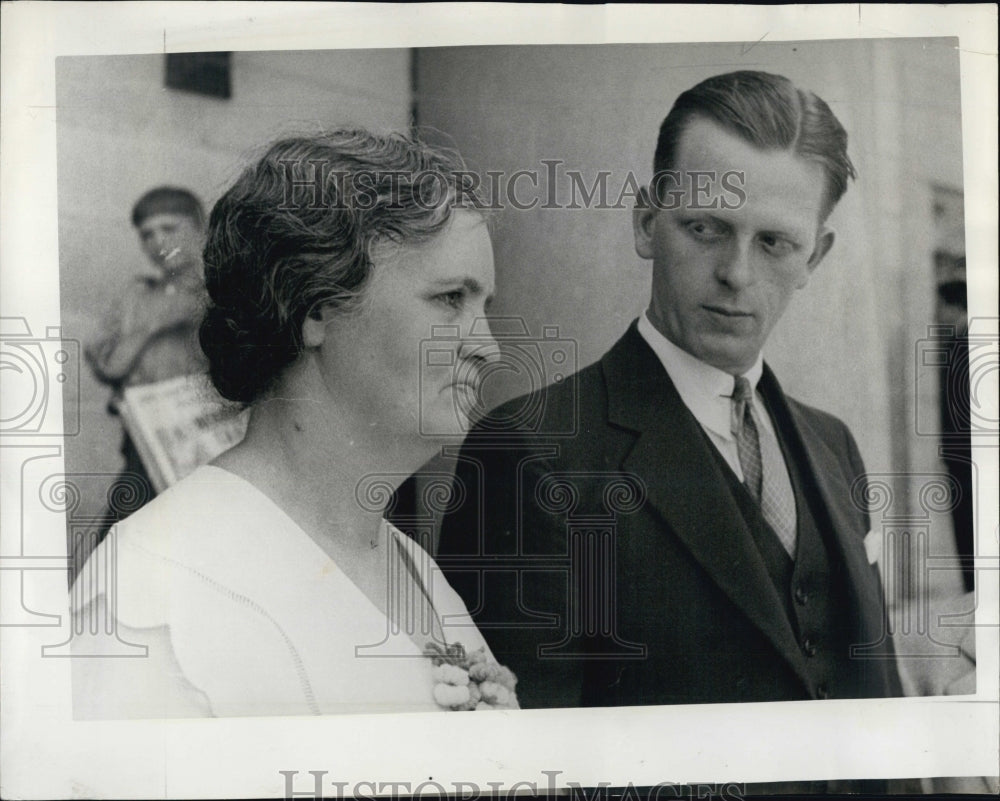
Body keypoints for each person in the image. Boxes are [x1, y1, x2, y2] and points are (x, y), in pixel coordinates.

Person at [423, 71, 904, 709]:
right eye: (705, 229)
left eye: (774, 243)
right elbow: (526, 762)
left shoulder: (832, 446)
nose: (736, 273)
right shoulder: (531, 449)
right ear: (648, 224)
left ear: (814, 258)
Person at [70, 130, 518, 718]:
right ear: (315, 310)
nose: (490, 348)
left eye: (483, 305)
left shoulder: (417, 571)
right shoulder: (148, 597)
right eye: (450, 299)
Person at [83, 187, 210, 546]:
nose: (157, 242)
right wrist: (154, 325)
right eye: (147, 234)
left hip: (208, 445)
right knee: (114, 550)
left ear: (200, 228)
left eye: (169, 229)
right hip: (144, 445)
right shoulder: (137, 295)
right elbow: (108, 366)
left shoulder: (222, 292)